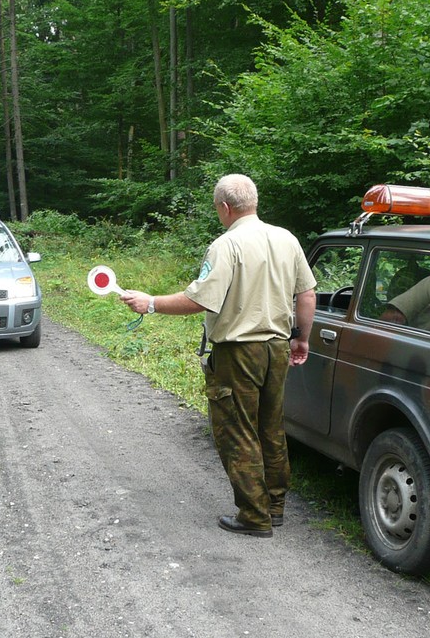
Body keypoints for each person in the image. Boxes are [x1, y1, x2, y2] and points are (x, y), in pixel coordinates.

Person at [120, 174, 317, 538]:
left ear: (225, 207)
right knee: (271, 428)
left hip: (238, 352)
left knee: (237, 431)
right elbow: (306, 294)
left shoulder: (226, 245)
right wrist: (301, 339)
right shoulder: (286, 239)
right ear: (253, 202)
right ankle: (274, 508)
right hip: (277, 348)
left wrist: (150, 303)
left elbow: (200, 299)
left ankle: (254, 516)